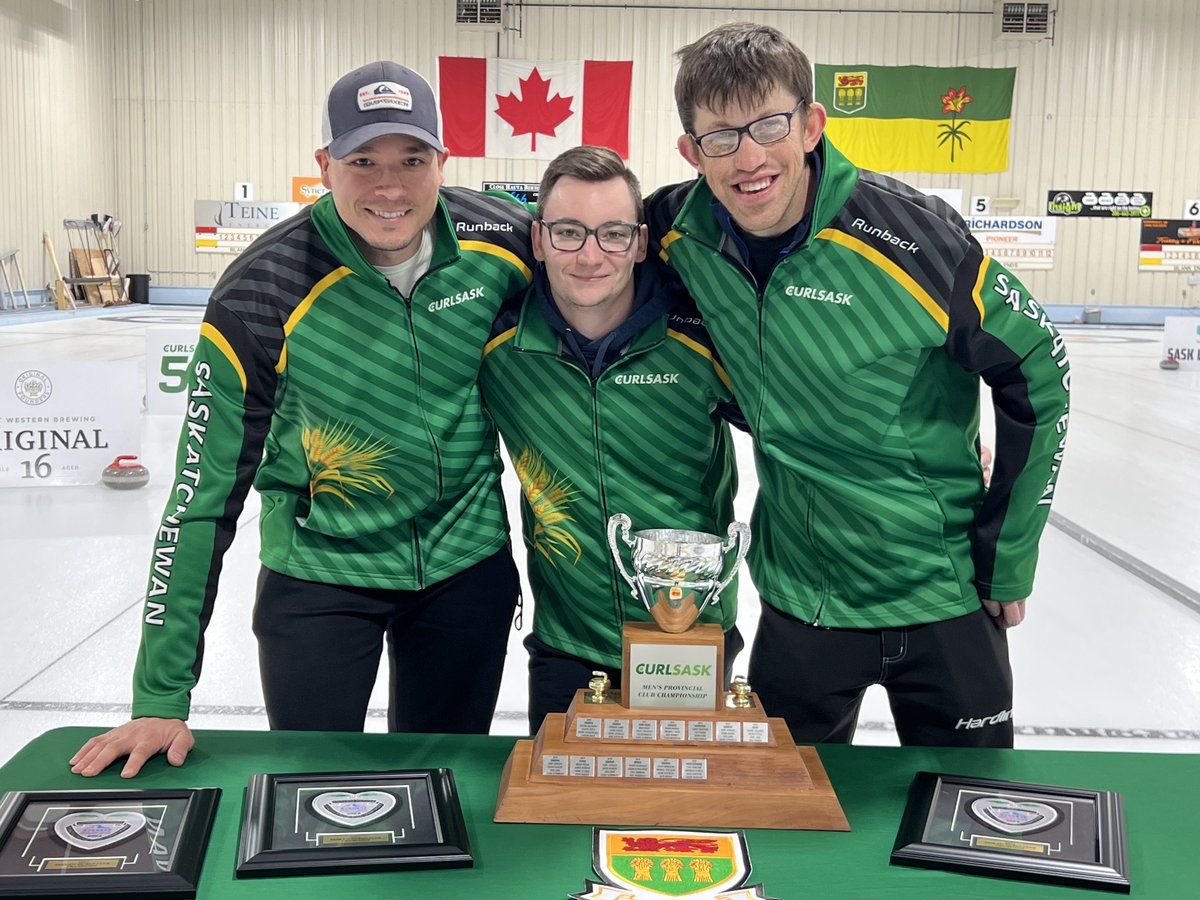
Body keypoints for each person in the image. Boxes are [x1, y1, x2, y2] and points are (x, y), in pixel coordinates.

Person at [70, 61, 536, 778]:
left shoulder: (503, 242)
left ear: (442, 162)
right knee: (316, 791)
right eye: (363, 161)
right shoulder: (261, 290)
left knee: (447, 786)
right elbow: (200, 500)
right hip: (320, 576)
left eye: (412, 159)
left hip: (463, 566)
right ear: (325, 165)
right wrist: (160, 696)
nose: (389, 185)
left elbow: (612, 269)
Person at [646, 23, 1071, 747]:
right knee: (786, 831)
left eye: (769, 126)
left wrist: (1008, 554)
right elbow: (576, 243)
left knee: (969, 821)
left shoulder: (915, 239)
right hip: (800, 603)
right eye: (720, 137)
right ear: (691, 151)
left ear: (811, 124)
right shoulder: (672, 229)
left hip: (941, 594)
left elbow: (1040, 370)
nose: (749, 158)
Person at [479, 146, 744, 731]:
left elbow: (798, 422)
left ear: (642, 242)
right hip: (569, 644)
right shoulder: (496, 344)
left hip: (691, 636)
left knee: (686, 815)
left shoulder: (704, 336)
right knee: (564, 819)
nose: (591, 255)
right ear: (540, 239)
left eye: (614, 233)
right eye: (569, 232)